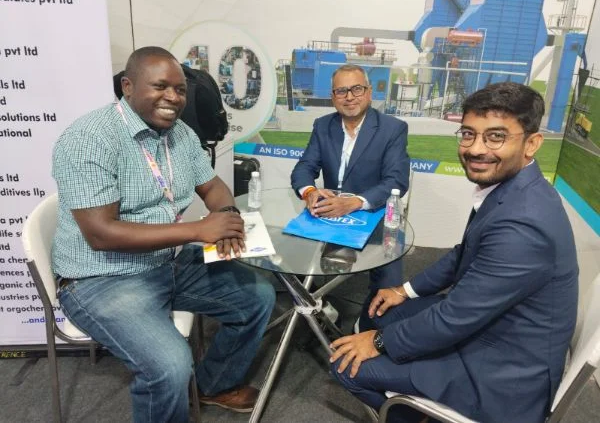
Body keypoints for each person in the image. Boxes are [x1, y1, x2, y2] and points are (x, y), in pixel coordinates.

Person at [329, 82, 578, 423]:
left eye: (495, 137)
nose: (476, 149)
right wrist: (405, 290)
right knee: (380, 310)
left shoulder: (523, 225)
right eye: (468, 134)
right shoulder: (513, 189)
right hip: (491, 328)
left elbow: (455, 317)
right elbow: (465, 253)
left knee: (344, 365)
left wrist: (379, 343)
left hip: (501, 373)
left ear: (532, 143)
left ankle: (420, 414)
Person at [51, 46, 275, 423]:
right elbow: (101, 234)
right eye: (160, 86)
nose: (173, 97)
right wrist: (199, 229)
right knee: (170, 367)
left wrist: (226, 218)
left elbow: (214, 187)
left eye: (180, 89)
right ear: (128, 86)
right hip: (101, 277)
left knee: (257, 296)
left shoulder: (180, 134)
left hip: (167, 260)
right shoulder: (89, 139)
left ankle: (212, 385)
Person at [290, 64, 410, 329]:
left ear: (369, 92)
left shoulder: (393, 129)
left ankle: (367, 327)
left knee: (389, 282)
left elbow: (397, 181)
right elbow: (304, 168)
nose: (349, 97)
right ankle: (320, 308)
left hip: (376, 215)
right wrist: (309, 191)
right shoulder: (323, 126)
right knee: (290, 256)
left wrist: (355, 202)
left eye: (356, 89)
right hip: (330, 213)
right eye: (341, 91)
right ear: (333, 96)